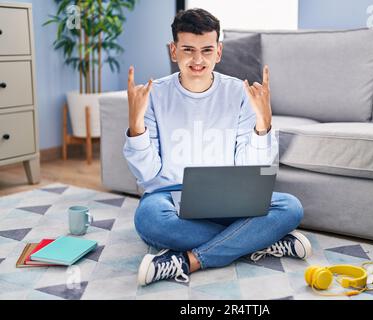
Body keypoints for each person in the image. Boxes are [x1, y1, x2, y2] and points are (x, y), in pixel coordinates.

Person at [123, 8, 312, 286]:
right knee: (149, 221)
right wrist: (136, 125)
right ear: (173, 51)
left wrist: (263, 125)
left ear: (219, 52)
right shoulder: (154, 94)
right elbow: (148, 175)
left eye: (207, 50)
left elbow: (253, 169)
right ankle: (260, 240)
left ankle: (189, 260)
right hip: (169, 198)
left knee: (290, 207)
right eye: (188, 49)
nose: (198, 59)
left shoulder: (238, 92)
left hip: (227, 197)